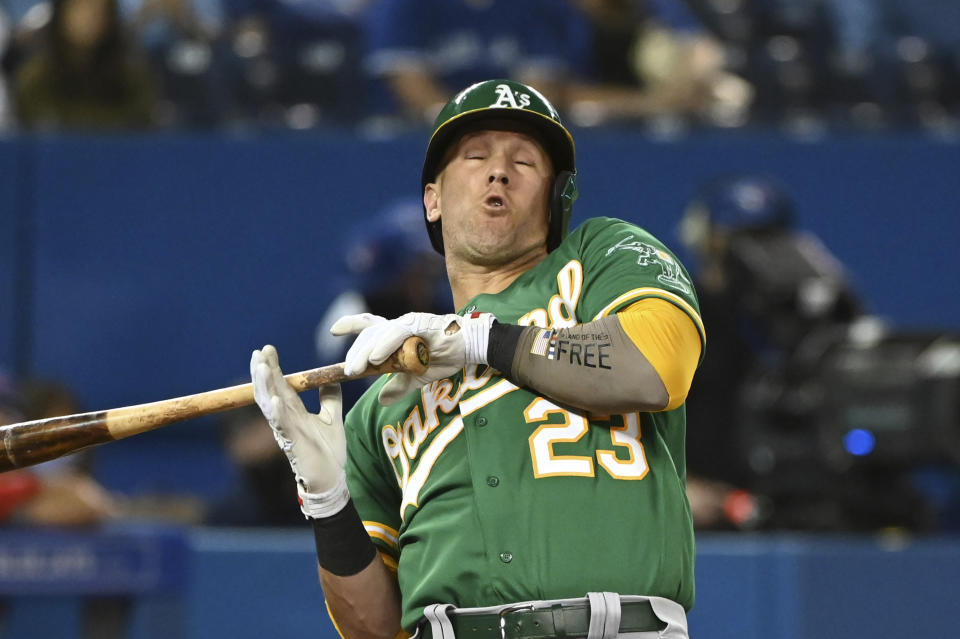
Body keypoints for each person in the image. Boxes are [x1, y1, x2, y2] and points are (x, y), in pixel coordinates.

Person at [250, 79, 705, 638]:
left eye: (525, 161)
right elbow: (372, 629)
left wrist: (479, 341)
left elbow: (658, 364)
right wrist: (326, 499)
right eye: (475, 156)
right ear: (432, 199)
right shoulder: (383, 404)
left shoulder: (602, 257)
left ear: (555, 197)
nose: (499, 171)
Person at [13, 0, 157, 130]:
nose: (90, 17)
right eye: (80, 8)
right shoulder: (34, 80)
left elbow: (143, 133)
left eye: (99, 10)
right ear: (61, 14)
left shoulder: (132, 81)